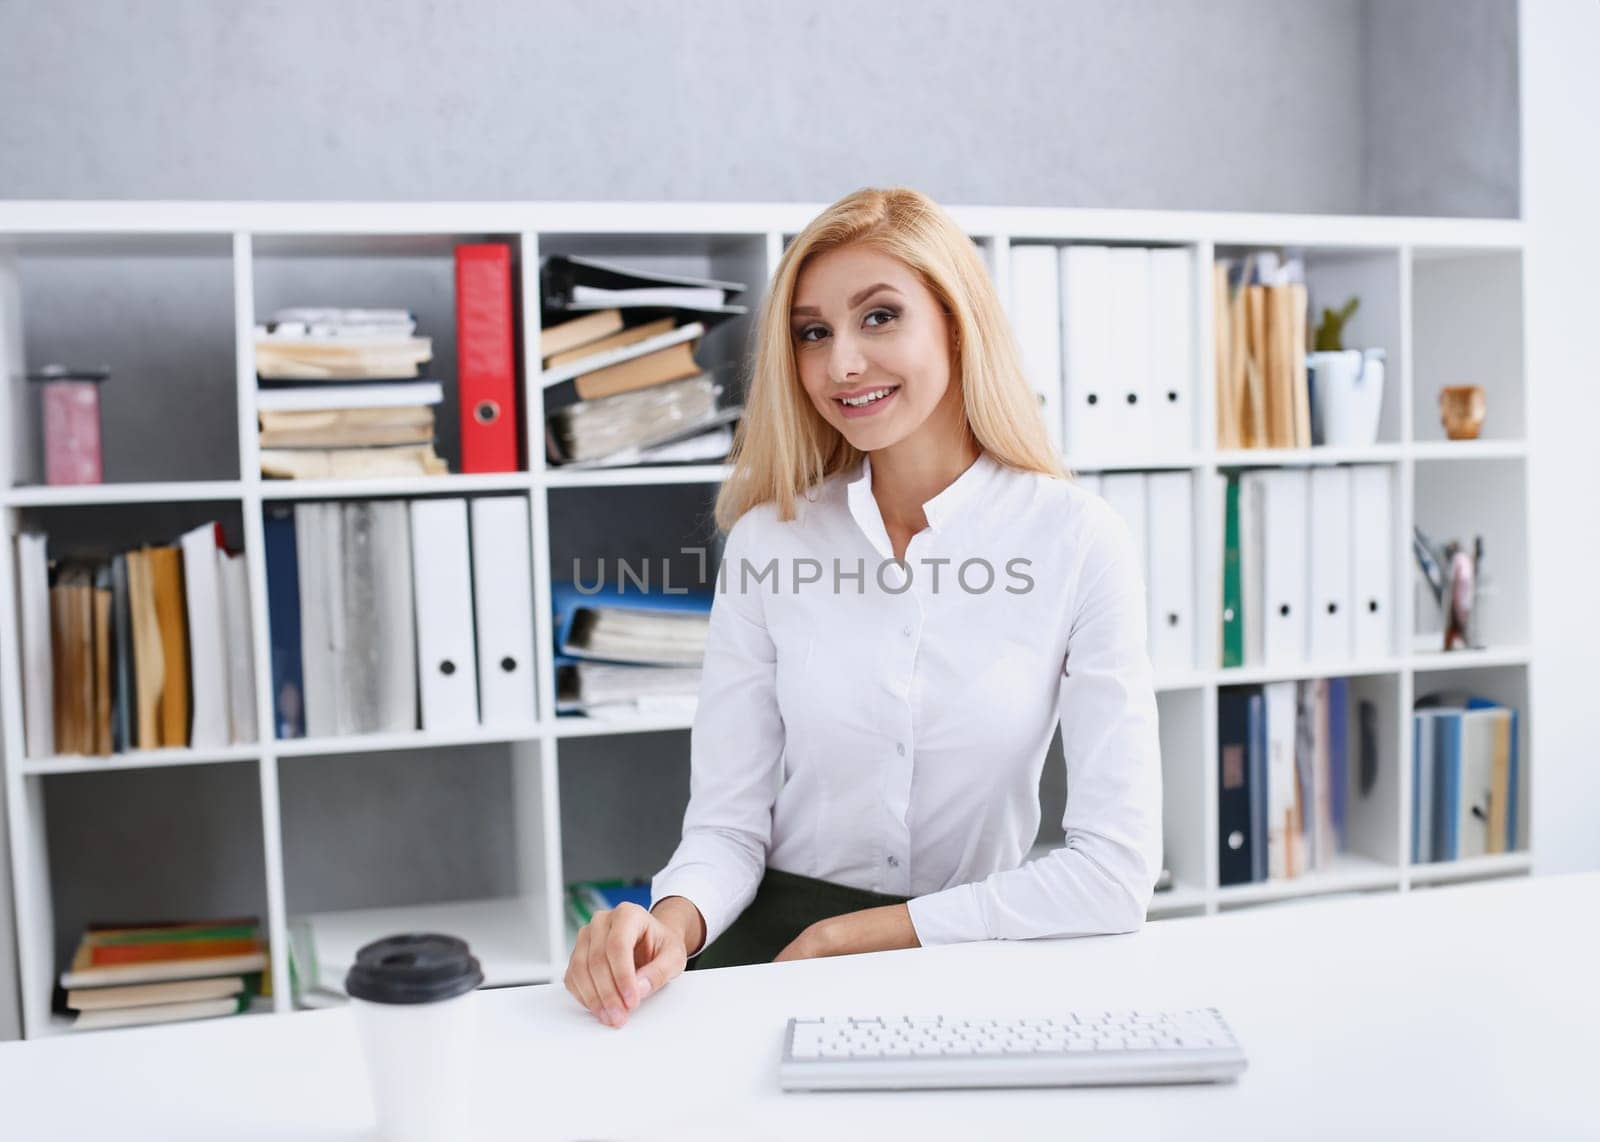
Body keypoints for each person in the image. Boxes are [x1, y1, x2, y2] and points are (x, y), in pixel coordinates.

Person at [564, 186, 1162, 1029]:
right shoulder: (769, 542)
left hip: (973, 950)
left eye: (879, 318)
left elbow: (1114, 872)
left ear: (957, 324)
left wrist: (873, 934)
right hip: (773, 953)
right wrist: (666, 925)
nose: (841, 363)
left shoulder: (1077, 541)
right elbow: (728, 829)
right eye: (814, 332)